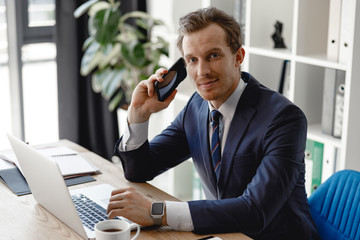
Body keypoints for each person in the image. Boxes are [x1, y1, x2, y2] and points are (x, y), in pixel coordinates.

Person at [107, 7, 320, 240]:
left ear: (238, 57)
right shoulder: (196, 107)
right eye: (192, 60)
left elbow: (255, 211)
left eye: (213, 56)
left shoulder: (284, 119)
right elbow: (140, 170)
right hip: (223, 234)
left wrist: (157, 212)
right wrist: (139, 114)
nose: (202, 71)